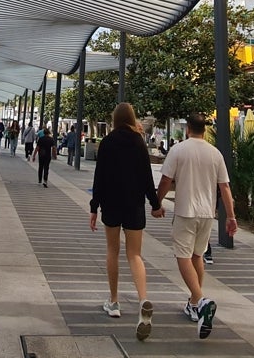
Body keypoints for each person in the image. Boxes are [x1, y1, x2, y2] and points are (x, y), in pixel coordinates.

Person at [155, 113, 237, 340]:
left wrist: (157, 203)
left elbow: (165, 180)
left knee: (182, 256)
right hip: (207, 213)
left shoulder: (178, 150)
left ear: (188, 129)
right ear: (205, 129)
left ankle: (201, 301)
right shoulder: (215, 153)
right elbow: (225, 187)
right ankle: (194, 304)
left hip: (185, 211)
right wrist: (231, 216)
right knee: (197, 256)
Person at [89, 103, 163, 341]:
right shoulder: (138, 142)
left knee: (113, 250)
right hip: (134, 205)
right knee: (135, 255)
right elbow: (146, 177)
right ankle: (143, 299)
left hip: (111, 203)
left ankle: (114, 302)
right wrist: (155, 204)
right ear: (132, 118)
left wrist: (93, 208)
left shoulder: (107, 142)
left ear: (114, 119)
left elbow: (98, 177)